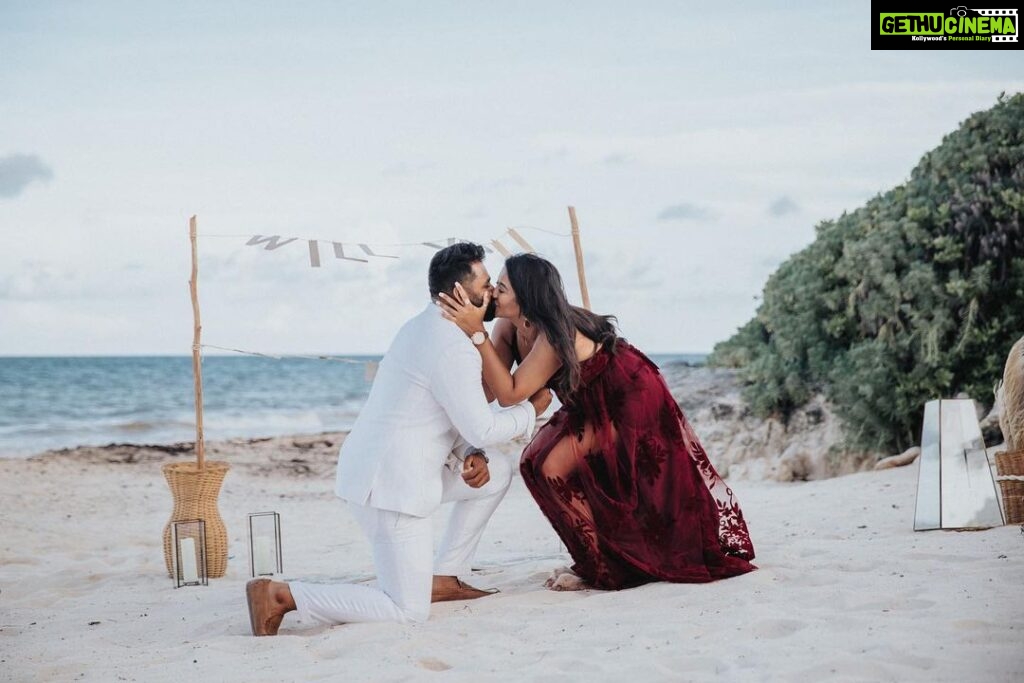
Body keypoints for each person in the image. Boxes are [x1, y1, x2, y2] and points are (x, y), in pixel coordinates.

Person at [246, 243, 552, 636]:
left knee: (499, 470)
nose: (492, 292)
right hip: (391, 488)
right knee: (407, 611)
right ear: (459, 294)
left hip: (388, 472)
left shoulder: (426, 328)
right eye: (487, 283)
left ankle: (445, 576)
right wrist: (533, 409)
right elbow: (483, 427)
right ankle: (282, 596)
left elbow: (439, 415)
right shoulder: (449, 345)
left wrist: (469, 453)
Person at [438, 252, 756, 590]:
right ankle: (600, 558)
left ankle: (604, 567)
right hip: (586, 399)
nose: (491, 294)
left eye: (500, 288)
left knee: (550, 465)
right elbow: (489, 390)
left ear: (526, 297)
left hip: (626, 394)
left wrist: (476, 334)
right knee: (535, 463)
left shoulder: (552, 332)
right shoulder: (508, 326)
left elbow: (510, 394)